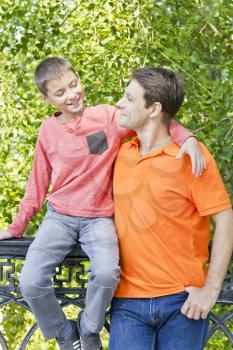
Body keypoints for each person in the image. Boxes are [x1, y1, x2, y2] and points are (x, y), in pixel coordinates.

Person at [0, 58, 204, 350]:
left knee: (108, 272)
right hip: (59, 218)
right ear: (46, 99)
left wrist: (190, 138)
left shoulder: (107, 118)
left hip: (99, 218)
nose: (72, 94)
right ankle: (65, 334)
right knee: (30, 281)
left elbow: (155, 121)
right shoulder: (48, 131)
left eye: (74, 84)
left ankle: (89, 329)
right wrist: (16, 226)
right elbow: (38, 184)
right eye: (61, 93)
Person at [110, 67, 233, 350]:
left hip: (183, 302)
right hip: (127, 302)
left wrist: (211, 290)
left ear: (153, 109)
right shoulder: (120, 151)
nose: (119, 103)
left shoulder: (191, 157)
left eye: (129, 98)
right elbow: (72, 147)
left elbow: (224, 218)